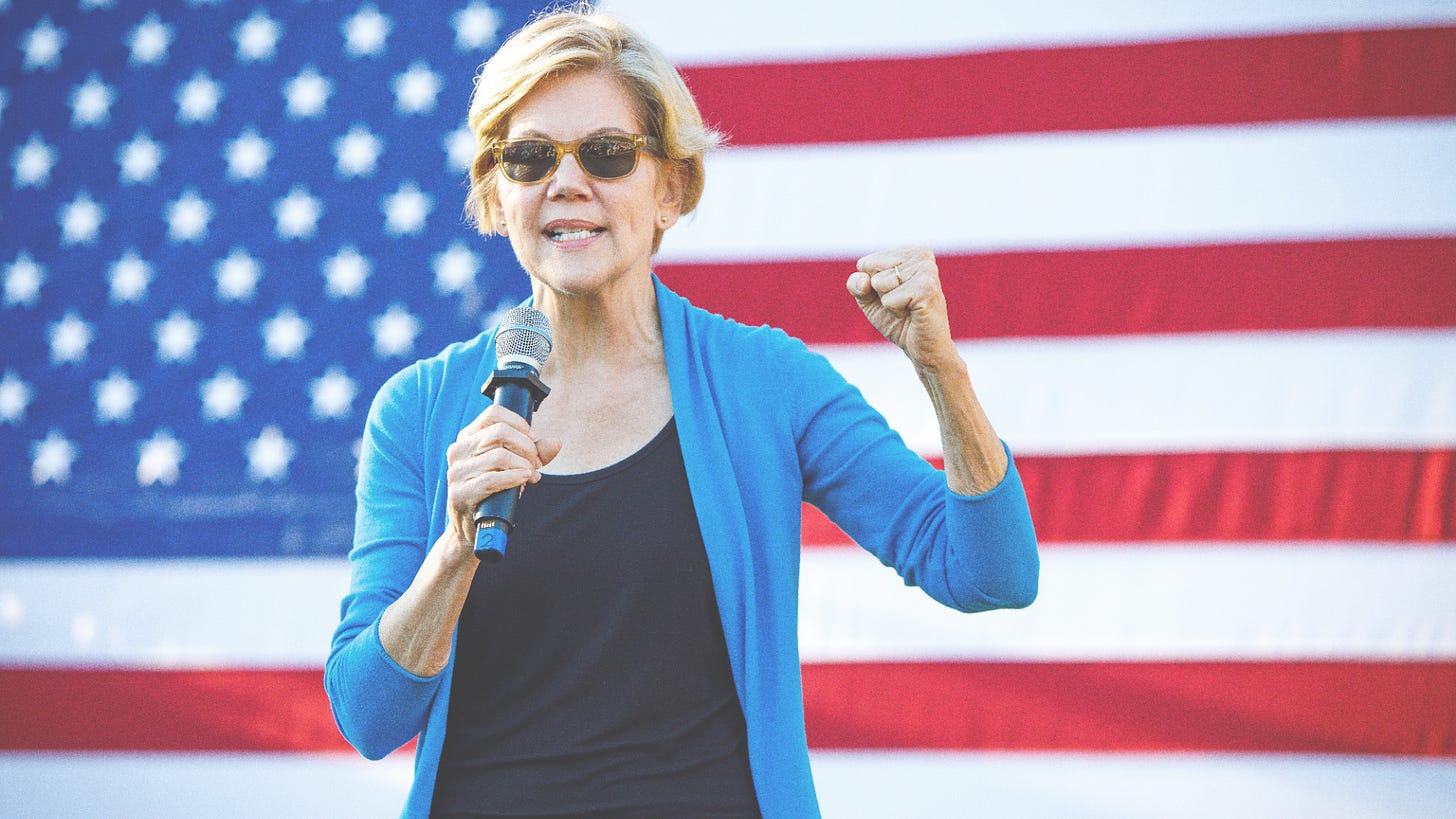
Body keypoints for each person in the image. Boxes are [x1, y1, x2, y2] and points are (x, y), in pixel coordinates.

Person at [325, 6, 1038, 818]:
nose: (566, 182)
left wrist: (942, 374)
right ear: (496, 193)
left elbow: (992, 573)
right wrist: (450, 553)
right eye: (528, 158)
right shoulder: (417, 410)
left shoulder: (763, 380)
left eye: (606, 153)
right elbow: (367, 716)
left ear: (670, 188)